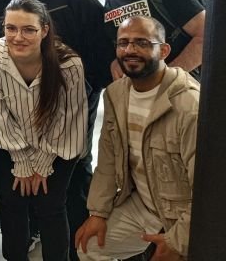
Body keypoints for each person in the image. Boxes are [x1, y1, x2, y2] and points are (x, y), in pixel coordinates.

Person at [0, 0, 112, 259]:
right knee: (13, 195)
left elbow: (100, 44)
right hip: (10, 109)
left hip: (69, 96)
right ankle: (24, 242)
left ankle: (74, 245)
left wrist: (85, 88)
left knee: (67, 181)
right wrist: (23, 159)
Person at [75, 16, 197, 261]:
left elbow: (209, 189)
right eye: (123, 43)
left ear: (163, 50)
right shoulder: (115, 94)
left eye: (142, 43)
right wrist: (97, 212)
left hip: (182, 215)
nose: (130, 50)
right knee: (89, 247)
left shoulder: (189, 105)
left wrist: (177, 241)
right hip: (143, 205)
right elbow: (108, 160)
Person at [0, 0, 88, 261]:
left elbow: (69, 117)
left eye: (29, 29)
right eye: (11, 28)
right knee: (12, 202)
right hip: (11, 143)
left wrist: (41, 163)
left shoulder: (69, 63)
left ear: (45, 30)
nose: (18, 37)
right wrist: (22, 161)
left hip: (59, 144)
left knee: (50, 205)